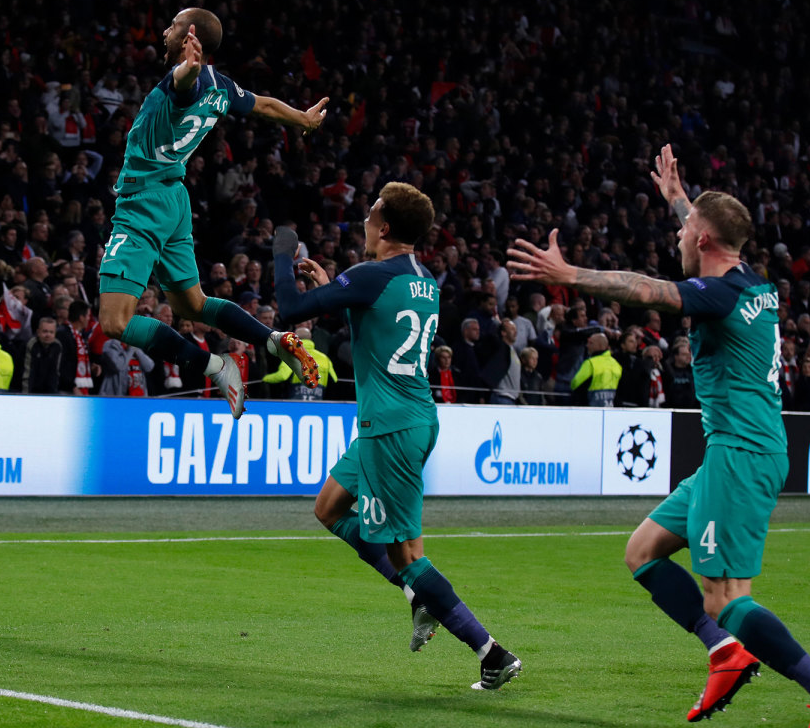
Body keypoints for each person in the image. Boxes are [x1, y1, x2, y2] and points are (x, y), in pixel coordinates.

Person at [508, 144, 810, 728]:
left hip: (741, 456)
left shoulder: (717, 295)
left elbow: (647, 291)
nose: (678, 237)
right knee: (643, 550)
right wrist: (678, 198)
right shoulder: (747, 280)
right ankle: (724, 654)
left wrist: (570, 276)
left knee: (726, 598)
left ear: (702, 241)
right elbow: (703, 236)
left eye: (685, 229)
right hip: (734, 451)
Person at [274, 182, 520, 691]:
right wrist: (333, 283)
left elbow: (288, 308)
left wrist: (281, 250)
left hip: (391, 427)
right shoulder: (422, 279)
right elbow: (375, 320)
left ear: (384, 227)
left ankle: (490, 652)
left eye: (370, 212)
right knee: (329, 508)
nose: (364, 219)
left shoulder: (370, 275)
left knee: (408, 553)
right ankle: (416, 595)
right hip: (403, 419)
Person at [96, 7, 327, 418]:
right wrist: (303, 119)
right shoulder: (221, 87)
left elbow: (183, 86)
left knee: (114, 322)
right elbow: (266, 107)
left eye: (171, 26)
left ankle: (214, 366)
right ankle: (273, 340)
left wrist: (187, 67)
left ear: (189, 36)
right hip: (174, 200)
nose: (164, 31)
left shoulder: (183, 79)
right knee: (193, 305)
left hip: (142, 204)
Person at [261, 326, 337, 400]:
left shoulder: (291, 355)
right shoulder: (325, 358)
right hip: (318, 399)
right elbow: (334, 379)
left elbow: (282, 376)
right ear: (310, 339)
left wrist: (265, 378)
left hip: (296, 400)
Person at [569, 332, 622, 407]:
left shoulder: (590, 363)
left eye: (591, 343)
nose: (587, 346)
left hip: (590, 408)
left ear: (600, 345)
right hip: (610, 408)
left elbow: (575, 384)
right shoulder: (616, 364)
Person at [22, 317, 62, 394]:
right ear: (38, 332)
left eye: (51, 332)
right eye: (45, 331)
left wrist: (52, 397)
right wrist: (26, 396)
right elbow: (27, 374)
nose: (48, 335)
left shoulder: (58, 346)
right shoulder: (31, 344)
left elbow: (55, 374)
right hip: (30, 391)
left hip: (47, 392)